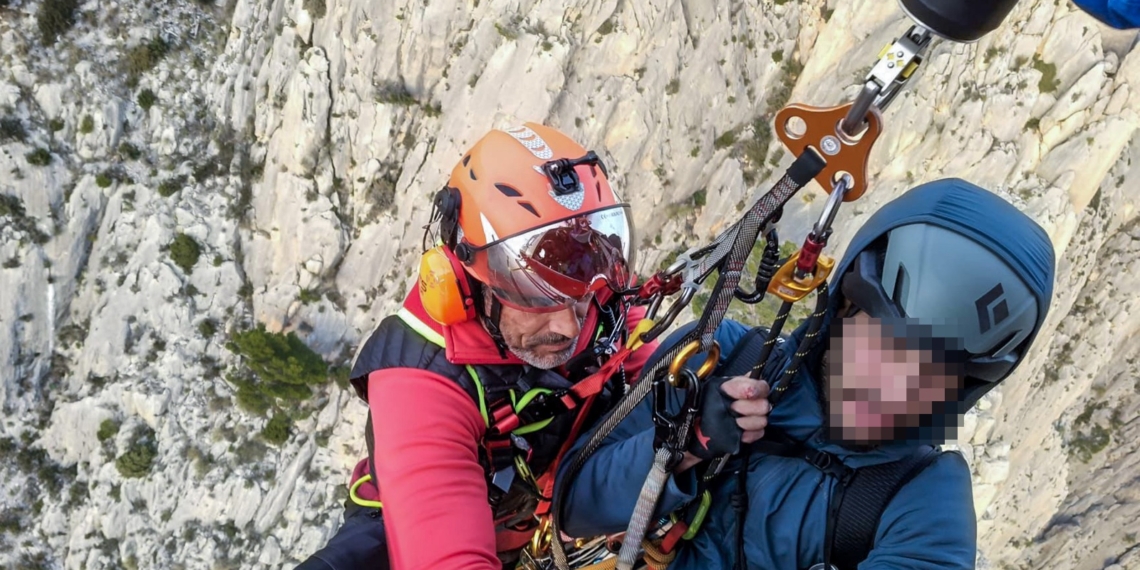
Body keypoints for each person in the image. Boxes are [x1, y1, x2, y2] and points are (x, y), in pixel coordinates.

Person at [295, 123, 776, 570]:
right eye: (533, 297)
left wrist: (691, 429)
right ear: (471, 280)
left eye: (582, 296)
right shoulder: (421, 382)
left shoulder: (592, 296)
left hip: (542, 512)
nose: (568, 325)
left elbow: (640, 384)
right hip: (412, 528)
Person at [555, 178, 1056, 569]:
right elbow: (573, 505)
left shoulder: (926, 503)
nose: (894, 388)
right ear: (843, 309)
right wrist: (685, 439)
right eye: (885, 344)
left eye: (932, 378)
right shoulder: (720, 355)